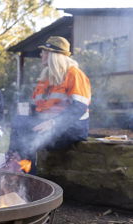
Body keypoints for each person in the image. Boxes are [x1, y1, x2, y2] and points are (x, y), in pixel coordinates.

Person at [7, 36, 91, 174]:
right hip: (47, 122)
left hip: (71, 128)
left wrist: (52, 123)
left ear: (54, 55)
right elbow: (40, 107)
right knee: (19, 122)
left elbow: (79, 108)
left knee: (31, 140)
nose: (41, 54)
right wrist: (26, 110)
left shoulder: (75, 74)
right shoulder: (46, 77)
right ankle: (11, 163)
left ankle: (28, 182)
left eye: (45, 52)